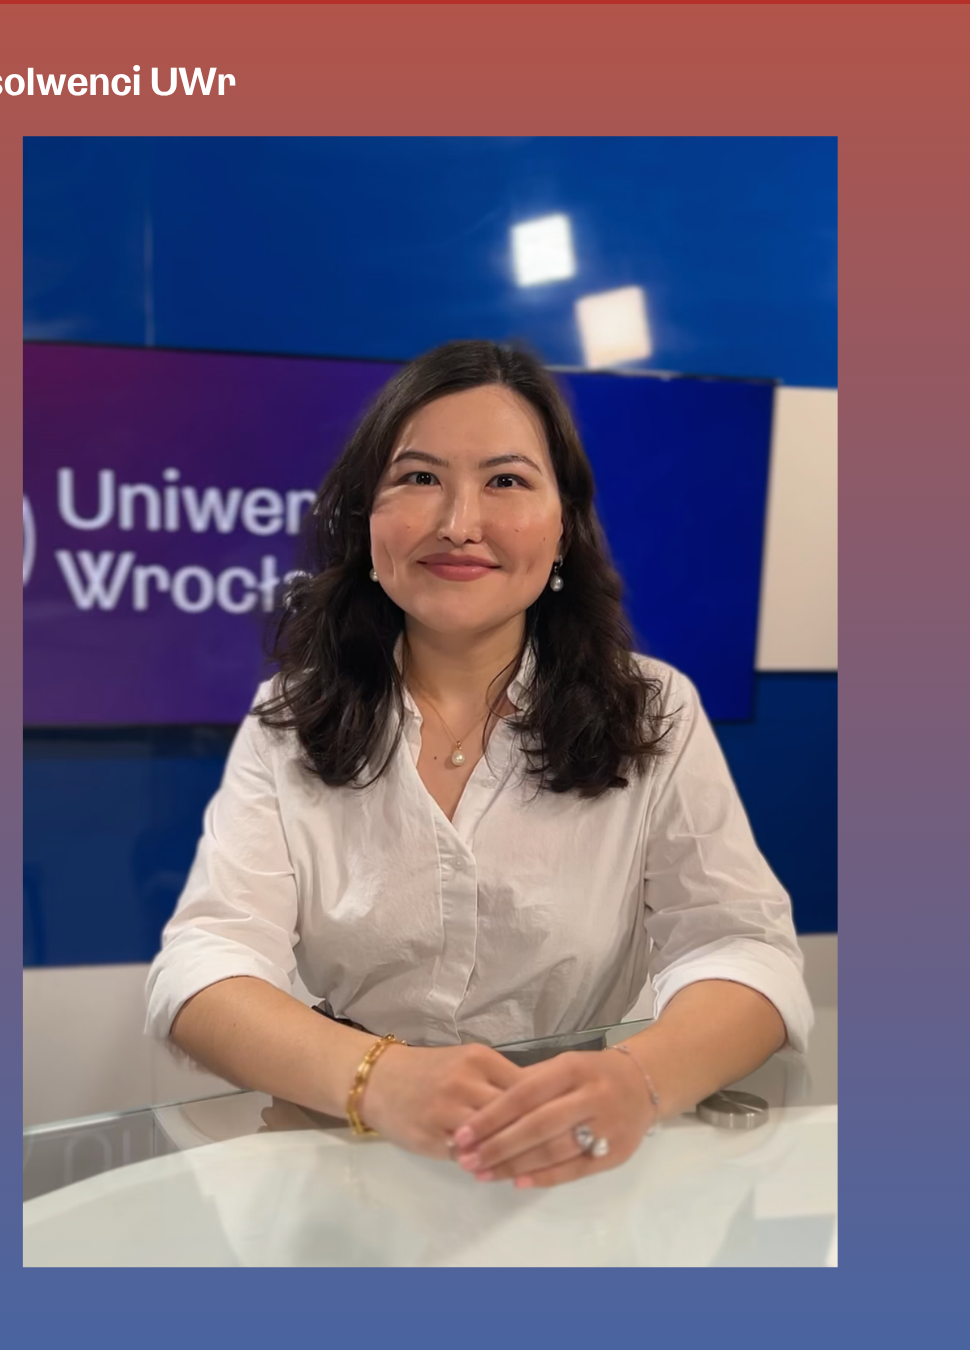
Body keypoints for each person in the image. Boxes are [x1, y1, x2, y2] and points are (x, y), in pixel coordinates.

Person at [145, 339, 813, 1190]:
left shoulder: (655, 709)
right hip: (350, 1157)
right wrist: (378, 1079)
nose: (459, 523)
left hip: (579, 1157)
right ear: (367, 522)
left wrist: (639, 1081)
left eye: (506, 481)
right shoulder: (291, 717)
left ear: (564, 527)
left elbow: (741, 946)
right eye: (420, 477)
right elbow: (204, 961)